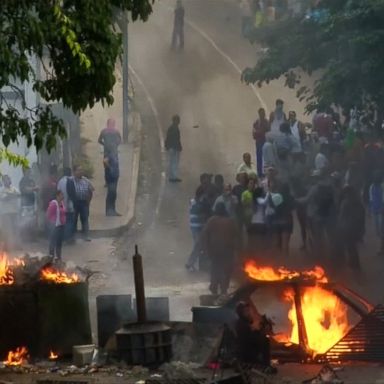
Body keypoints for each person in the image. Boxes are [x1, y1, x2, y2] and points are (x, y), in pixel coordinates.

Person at [201, 202, 239, 295]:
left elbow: (205, 235)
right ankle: (224, 289)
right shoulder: (230, 221)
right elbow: (236, 235)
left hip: (214, 251)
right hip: (227, 250)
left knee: (215, 269)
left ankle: (214, 287)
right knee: (226, 270)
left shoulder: (212, 220)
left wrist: (206, 250)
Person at [235, 301, 277, 374]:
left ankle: (264, 365)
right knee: (265, 341)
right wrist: (261, 331)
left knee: (264, 339)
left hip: (250, 351)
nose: (249, 313)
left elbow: (254, 334)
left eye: (248, 310)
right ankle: (266, 366)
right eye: (246, 311)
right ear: (241, 313)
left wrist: (262, 328)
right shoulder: (242, 324)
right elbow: (252, 339)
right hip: (247, 353)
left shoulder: (246, 322)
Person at [336, 186, 365, 271]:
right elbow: (362, 215)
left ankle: (354, 264)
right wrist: (362, 229)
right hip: (356, 227)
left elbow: (341, 216)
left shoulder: (346, 202)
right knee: (353, 246)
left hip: (347, 228)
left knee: (350, 246)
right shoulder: (358, 202)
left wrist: (339, 226)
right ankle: (355, 263)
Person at [185, 189, 209, 272]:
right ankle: (189, 263)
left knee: (199, 245)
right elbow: (197, 211)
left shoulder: (198, 202)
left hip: (198, 226)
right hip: (195, 227)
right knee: (198, 245)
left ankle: (192, 264)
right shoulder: (195, 202)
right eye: (203, 195)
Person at [71, 165, 94, 241]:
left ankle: (86, 236)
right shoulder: (71, 180)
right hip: (75, 203)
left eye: (81, 170)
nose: (80, 172)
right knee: (74, 220)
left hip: (84, 202)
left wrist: (88, 201)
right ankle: (73, 236)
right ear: (74, 172)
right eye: (78, 170)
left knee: (85, 219)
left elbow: (91, 190)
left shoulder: (86, 180)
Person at [19, 167, 39, 241]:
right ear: (24, 172)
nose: (29, 172)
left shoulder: (31, 180)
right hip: (25, 206)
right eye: (27, 171)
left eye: (29, 171)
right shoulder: (22, 181)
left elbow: (35, 187)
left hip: (32, 204)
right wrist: (33, 188)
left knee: (32, 221)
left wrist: (36, 188)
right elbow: (24, 189)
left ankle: (32, 238)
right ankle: (25, 238)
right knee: (25, 222)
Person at [0, 175, 20, 250]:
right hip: (6, 213)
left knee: (15, 229)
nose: (8, 181)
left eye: (9, 179)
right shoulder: (2, 190)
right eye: (6, 180)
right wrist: (11, 195)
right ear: (4, 181)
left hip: (14, 212)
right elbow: (4, 198)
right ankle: (6, 246)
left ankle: (16, 245)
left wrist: (11, 195)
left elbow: (18, 194)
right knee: (7, 231)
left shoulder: (14, 188)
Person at [57, 168, 76, 243]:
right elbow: (72, 194)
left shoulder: (60, 181)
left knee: (63, 222)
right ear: (70, 173)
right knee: (69, 222)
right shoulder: (70, 181)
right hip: (69, 205)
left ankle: (64, 238)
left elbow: (58, 192)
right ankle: (68, 238)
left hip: (62, 204)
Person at [46, 190, 66, 260]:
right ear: (57, 195)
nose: (63, 196)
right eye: (61, 194)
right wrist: (51, 223)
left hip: (61, 226)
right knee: (53, 241)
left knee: (59, 242)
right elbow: (48, 214)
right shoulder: (53, 204)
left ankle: (58, 257)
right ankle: (51, 256)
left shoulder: (62, 203)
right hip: (54, 226)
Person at [369, 171, 384, 250]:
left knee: (381, 230)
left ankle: (381, 247)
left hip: (381, 211)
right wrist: (370, 210)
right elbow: (371, 199)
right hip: (374, 210)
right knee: (377, 230)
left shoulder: (382, 186)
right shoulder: (372, 186)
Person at [165, 115, 182, 182]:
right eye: (178, 120)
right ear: (175, 121)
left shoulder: (173, 127)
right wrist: (178, 147)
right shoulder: (174, 128)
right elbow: (175, 139)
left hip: (172, 147)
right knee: (174, 162)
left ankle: (173, 176)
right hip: (174, 148)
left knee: (172, 161)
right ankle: (173, 177)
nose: (179, 121)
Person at [253, 108, 270, 177]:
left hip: (264, 141)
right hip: (259, 141)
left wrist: (259, 132)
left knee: (265, 157)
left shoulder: (266, 122)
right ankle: (259, 172)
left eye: (263, 113)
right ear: (259, 114)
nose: (262, 114)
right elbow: (254, 133)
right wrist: (260, 132)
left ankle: (265, 171)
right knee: (259, 157)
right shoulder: (256, 122)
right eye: (261, 113)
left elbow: (268, 131)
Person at [104, 151, 121, 216]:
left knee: (113, 194)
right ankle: (109, 211)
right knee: (111, 194)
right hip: (111, 177)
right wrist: (110, 168)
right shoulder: (110, 154)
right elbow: (105, 161)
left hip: (114, 177)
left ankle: (113, 210)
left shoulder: (114, 154)